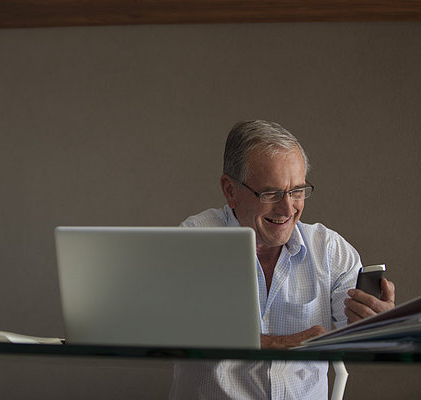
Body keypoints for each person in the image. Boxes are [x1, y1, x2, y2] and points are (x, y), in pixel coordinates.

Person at [169, 120, 396, 400]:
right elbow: (172, 327)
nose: (288, 208)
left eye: (297, 191)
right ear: (230, 190)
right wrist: (275, 343)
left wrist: (374, 319)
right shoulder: (195, 240)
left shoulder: (330, 250)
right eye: (271, 193)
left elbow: (360, 333)